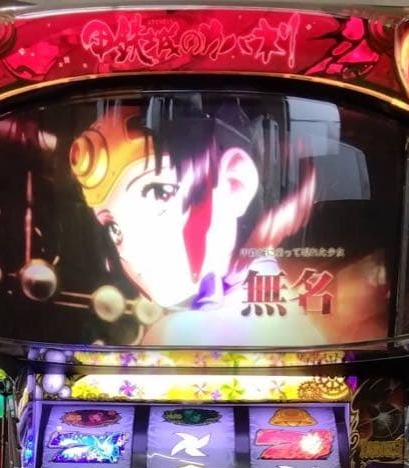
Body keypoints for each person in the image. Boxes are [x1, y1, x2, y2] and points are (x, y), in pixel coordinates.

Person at [68, 96, 322, 346]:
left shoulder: (175, 333)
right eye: (114, 227)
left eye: (160, 193)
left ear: (235, 182)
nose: (131, 251)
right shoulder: (291, 302)